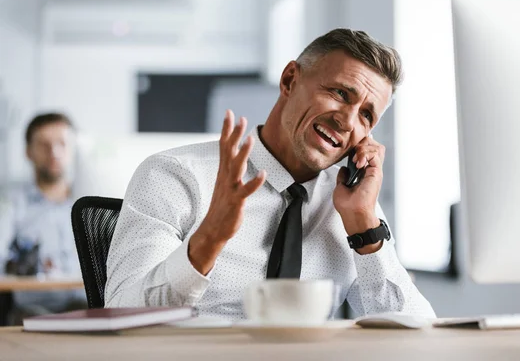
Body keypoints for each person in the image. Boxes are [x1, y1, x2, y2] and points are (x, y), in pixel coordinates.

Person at [105, 28, 435, 319]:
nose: (347, 122)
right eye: (339, 94)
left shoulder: (352, 205)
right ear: (290, 79)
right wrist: (209, 239)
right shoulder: (174, 176)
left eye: (365, 115)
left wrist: (365, 228)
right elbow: (121, 312)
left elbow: (416, 328)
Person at [0, 113, 87, 321]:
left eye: (62, 144)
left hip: (86, 306)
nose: (54, 152)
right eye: (44, 145)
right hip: (34, 311)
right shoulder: (12, 204)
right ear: (28, 152)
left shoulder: (89, 203)